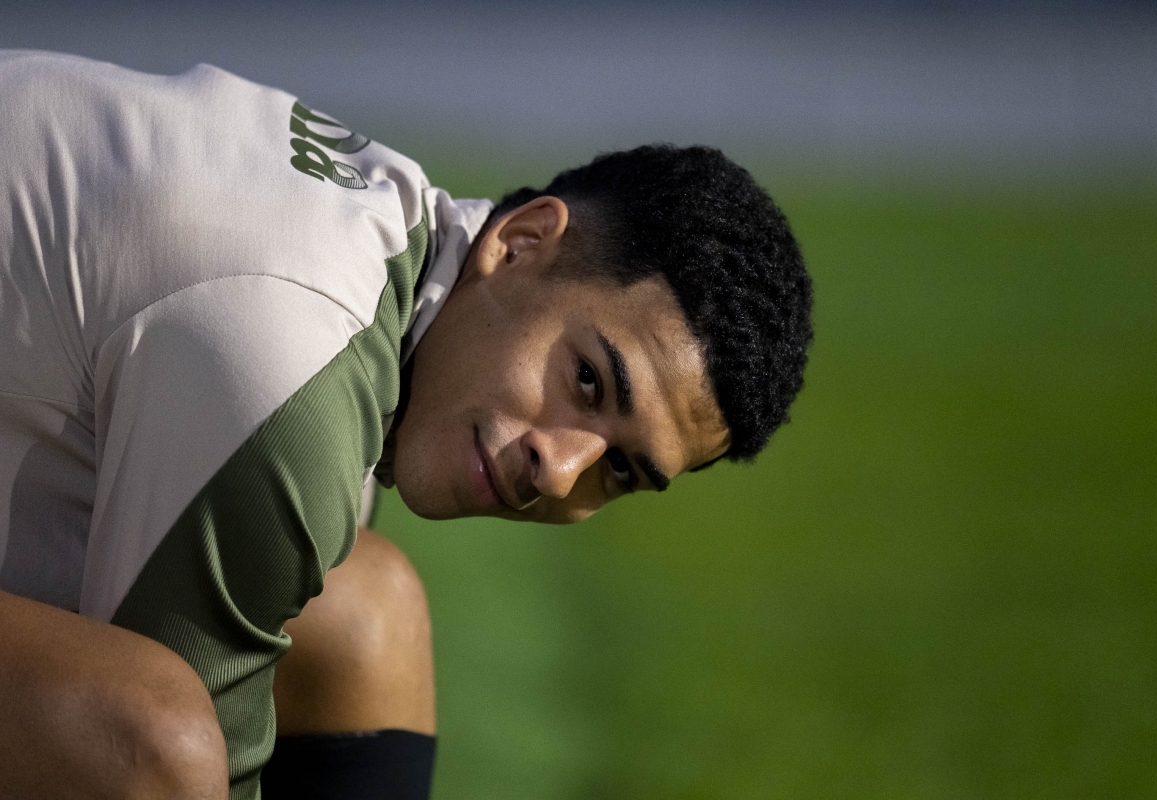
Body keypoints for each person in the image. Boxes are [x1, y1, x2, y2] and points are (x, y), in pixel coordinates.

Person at [0, 50, 813, 800]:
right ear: (522, 243)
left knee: (366, 617)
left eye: (622, 469)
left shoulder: (385, 250)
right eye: (588, 381)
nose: (562, 471)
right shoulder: (296, 349)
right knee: (155, 749)